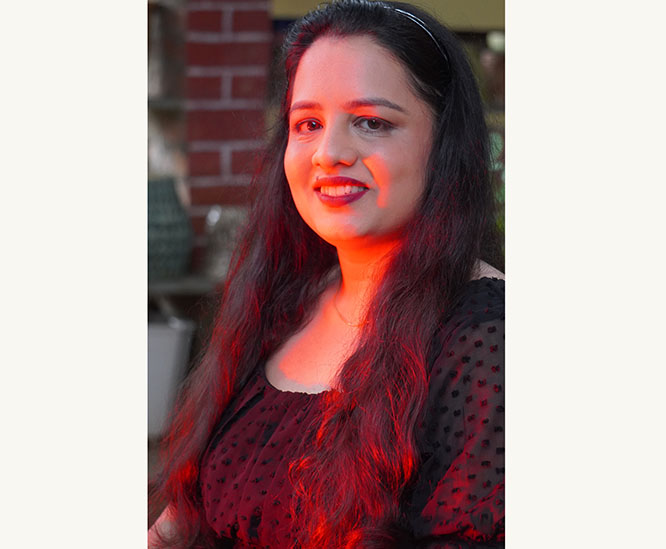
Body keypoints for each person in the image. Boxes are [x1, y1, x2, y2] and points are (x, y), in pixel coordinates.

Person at [149, 1, 505, 547]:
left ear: (444, 146)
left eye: (372, 122)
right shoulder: (284, 303)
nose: (329, 152)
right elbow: (183, 520)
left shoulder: (488, 338)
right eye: (308, 124)